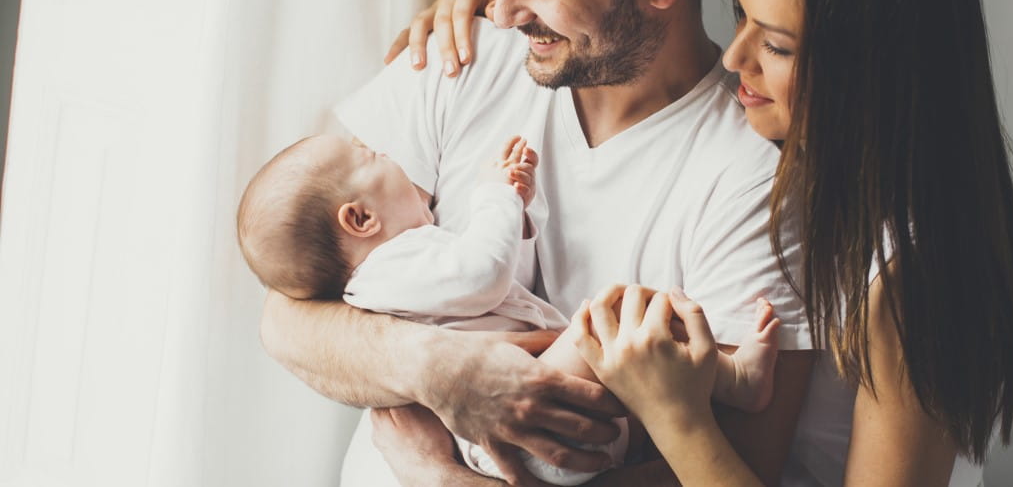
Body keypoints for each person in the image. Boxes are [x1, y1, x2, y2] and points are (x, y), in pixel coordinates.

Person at [259, 0, 820, 485]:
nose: (500, 8)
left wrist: (442, 478)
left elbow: (738, 465)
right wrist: (442, 371)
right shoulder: (462, 53)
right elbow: (287, 316)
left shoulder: (753, 179)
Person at [561, 0, 1013, 486]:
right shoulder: (824, 192)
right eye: (741, 17)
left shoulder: (908, 282)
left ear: (873, 70)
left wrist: (674, 413)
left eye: (779, 46)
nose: (735, 58)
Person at [238, 134, 783, 485]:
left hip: (524, 441)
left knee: (630, 356)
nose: (388, 152)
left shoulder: (402, 274)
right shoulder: (390, 267)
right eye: (371, 155)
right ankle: (734, 380)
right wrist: (494, 196)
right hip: (525, 432)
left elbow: (498, 286)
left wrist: (516, 211)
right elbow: (482, 275)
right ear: (359, 219)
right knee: (612, 316)